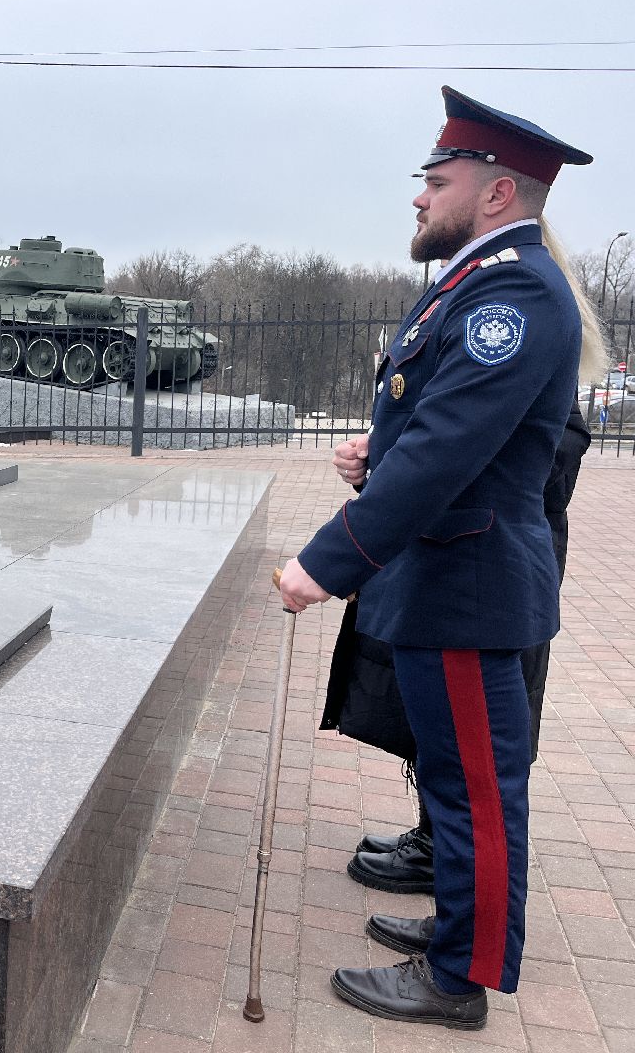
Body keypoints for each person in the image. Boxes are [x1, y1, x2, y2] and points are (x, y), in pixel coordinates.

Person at [277, 86, 601, 1029]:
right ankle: (458, 930)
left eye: (438, 179)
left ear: (497, 193)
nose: (420, 197)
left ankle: (461, 977)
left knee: (477, 795)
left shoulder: (515, 292)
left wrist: (324, 562)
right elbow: (450, 430)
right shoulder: (477, 280)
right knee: (460, 786)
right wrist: (376, 452)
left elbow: (450, 453)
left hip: (467, 585)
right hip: (449, 578)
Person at [323, 396, 590, 898]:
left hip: (489, 568)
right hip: (446, 553)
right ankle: (437, 842)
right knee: (434, 714)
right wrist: (377, 461)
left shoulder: (525, 344)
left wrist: (411, 463)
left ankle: (455, 876)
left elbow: (543, 469)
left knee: (476, 732)